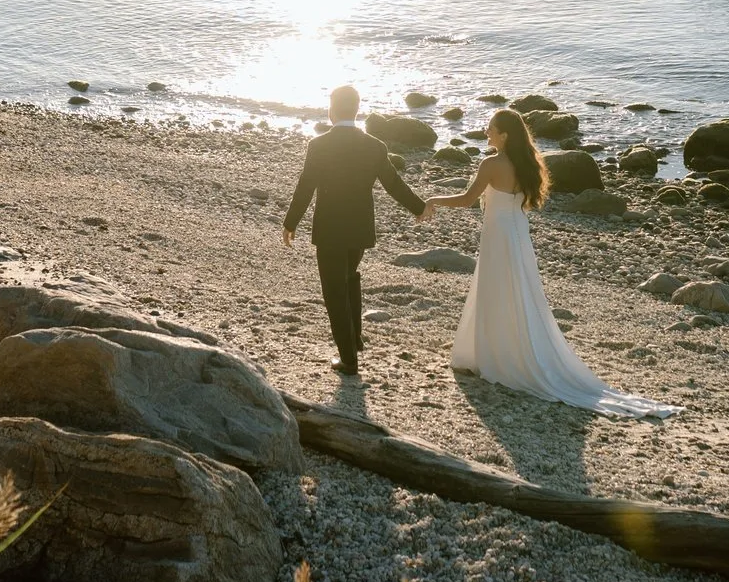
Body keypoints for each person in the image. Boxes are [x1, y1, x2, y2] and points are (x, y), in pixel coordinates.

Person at [428, 107, 678, 418]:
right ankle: (504, 352)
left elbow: (467, 200)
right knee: (519, 291)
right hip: (517, 233)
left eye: (491, 128)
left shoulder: (491, 163)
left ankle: (494, 357)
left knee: (496, 290)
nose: (486, 131)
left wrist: (433, 200)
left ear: (504, 135)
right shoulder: (527, 163)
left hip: (498, 235)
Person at [283, 85, 430, 377]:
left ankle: (348, 359)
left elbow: (305, 186)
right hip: (360, 227)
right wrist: (419, 207)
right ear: (357, 109)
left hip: (330, 228)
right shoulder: (375, 146)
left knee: (334, 290)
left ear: (332, 109)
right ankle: (356, 338)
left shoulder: (319, 145)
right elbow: (394, 184)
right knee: (349, 276)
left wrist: (291, 222)